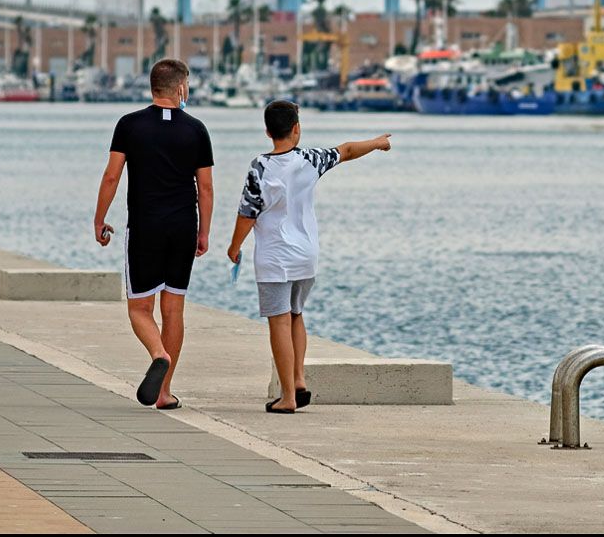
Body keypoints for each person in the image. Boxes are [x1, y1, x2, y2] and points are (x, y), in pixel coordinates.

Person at [227, 100, 390, 413]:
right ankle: (298, 379)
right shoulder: (310, 159)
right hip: (306, 255)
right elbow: (348, 150)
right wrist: (377, 142)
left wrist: (234, 248)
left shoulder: (260, 166)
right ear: (296, 129)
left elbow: (247, 213)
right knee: (295, 314)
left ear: (267, 131)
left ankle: (287, 396)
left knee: (278, 321)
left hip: (275, 258)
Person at [94, 58, 214, 409]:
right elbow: (205, 188)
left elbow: (112, 176)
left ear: (152, 87)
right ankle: (164, 392)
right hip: (183, 226)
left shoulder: (129, 125)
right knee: (173, 309)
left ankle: (158, 353)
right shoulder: (196, 129)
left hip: (145, 226)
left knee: (139, 308)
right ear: (180, 88)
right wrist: (204, 232)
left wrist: (99, 219)